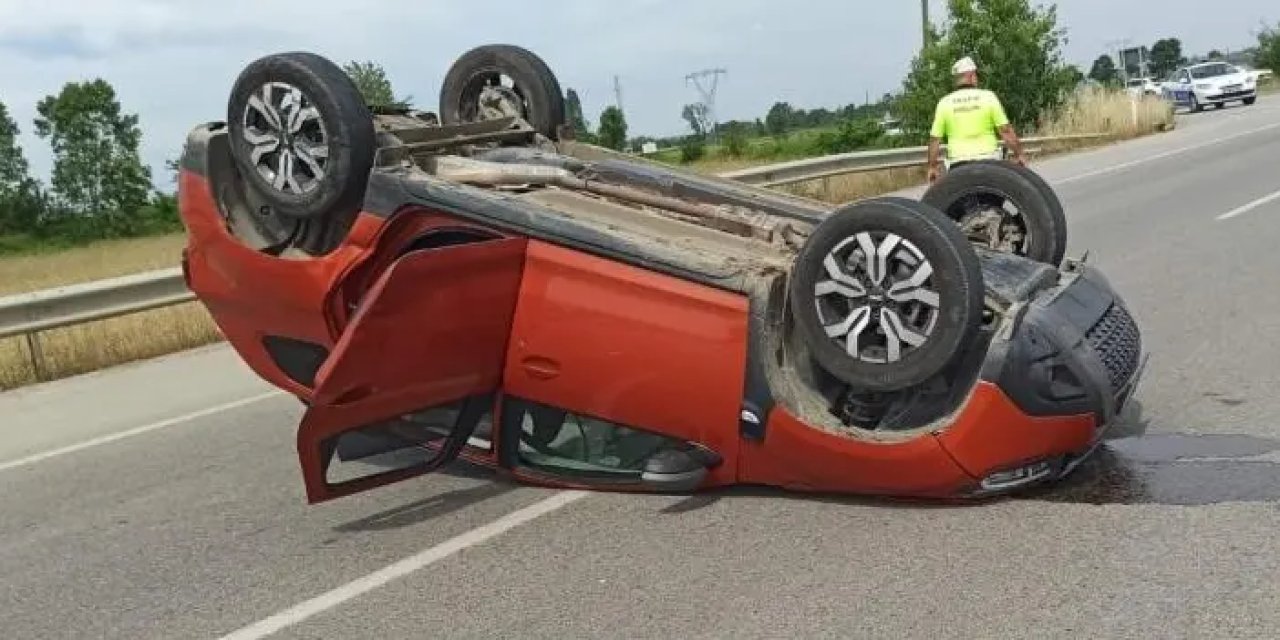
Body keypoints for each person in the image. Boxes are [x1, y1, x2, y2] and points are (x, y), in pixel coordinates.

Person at [926, 56, 1027, 183]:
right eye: (976, 75)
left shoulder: (944, 103)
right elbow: (1005, 130)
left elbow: (935, 139)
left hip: (958, 165)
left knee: (961, 200)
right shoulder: (988, 97)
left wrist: (932, 167)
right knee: (992, 198)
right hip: (990, 161)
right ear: (971, 75)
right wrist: (1019, 154)